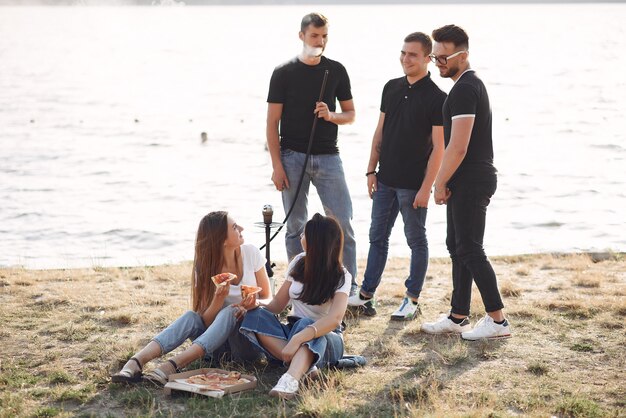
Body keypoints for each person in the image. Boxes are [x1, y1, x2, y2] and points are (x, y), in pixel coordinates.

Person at [420, 25, 512, 340]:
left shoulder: (464, 89)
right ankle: (458, 316)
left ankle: (497, 321)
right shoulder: (463, 87)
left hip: (472, 178)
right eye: (434, 57)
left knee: (470, 249)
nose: (438, 63)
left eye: (444, 57)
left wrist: (439, 182)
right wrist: (445, 180)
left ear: (464, 54)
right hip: (466, 178)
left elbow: (458, 146)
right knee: (457, 247)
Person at [348, 32, 446, 320]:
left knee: (417, 241)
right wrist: (370, 169)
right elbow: (380, 131)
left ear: (427, 58)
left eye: (413, 54)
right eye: (403, 53)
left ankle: (411, 300)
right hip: (385, 180)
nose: (406, 59)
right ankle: (366, 296)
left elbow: (439, 148)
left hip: (413, 185)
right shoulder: (390, 88)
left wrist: (426, 188)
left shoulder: (437, 98)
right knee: (377, 237)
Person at [111, 211, 271, 384]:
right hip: (215, 347)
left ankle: (171, 365)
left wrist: (255, 304)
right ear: (222, 240)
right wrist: (218, 300)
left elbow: (270, 299)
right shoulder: (205, 266)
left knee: (229, 312)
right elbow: (205, 322)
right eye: (234, 227)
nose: (241, 228)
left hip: (246, 344)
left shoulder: (251, 253)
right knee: (191, 317)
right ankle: (135, 362)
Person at [266, 12, 357, 294]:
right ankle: (298, 287)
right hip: (292, 157)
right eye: (315, 35)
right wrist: (277, 166)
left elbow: (351, 114)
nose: (320, 41)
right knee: (295, 225)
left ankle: (349, 289)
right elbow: (272, 123)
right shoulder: (283, 72)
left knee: (342, 223)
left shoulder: (337, 70)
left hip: (329, 157)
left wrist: (331, 115)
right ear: (302, 36)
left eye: (324, 36)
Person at [239, 213, 351, 399]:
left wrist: (299, 338)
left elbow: (334, 319)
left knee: (304, 323)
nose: (301, 237)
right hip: (292, 335)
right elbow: (276, 305)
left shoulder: (342, 276)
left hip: (327, 339)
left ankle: (290, 379)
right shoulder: (299, 262)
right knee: (255, 314)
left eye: (305, 234)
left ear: (316, 241)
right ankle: (306, 366)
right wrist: (255, 302)